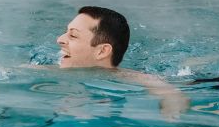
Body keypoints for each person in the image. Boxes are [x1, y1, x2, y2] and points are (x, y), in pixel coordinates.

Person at [56, 6, 190, 119]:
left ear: (102, 51)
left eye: (73, 35)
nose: (59, 39)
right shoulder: (52, 70)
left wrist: (171, 117)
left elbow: (172, 95)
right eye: (65, 32)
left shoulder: (131, 78)